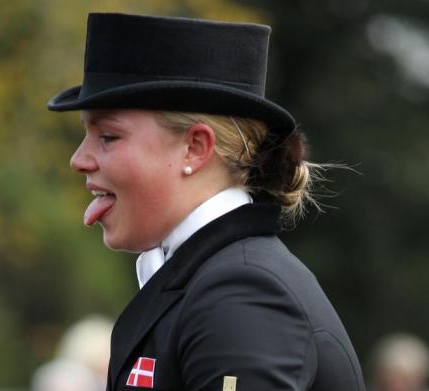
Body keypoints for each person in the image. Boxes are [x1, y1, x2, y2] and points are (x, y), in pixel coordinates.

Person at [48, 12, 366, 391]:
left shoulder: (242, 292)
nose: (79, 159)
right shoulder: (209, 278)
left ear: (195, 148)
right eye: (87, 134)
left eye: (109, 136)